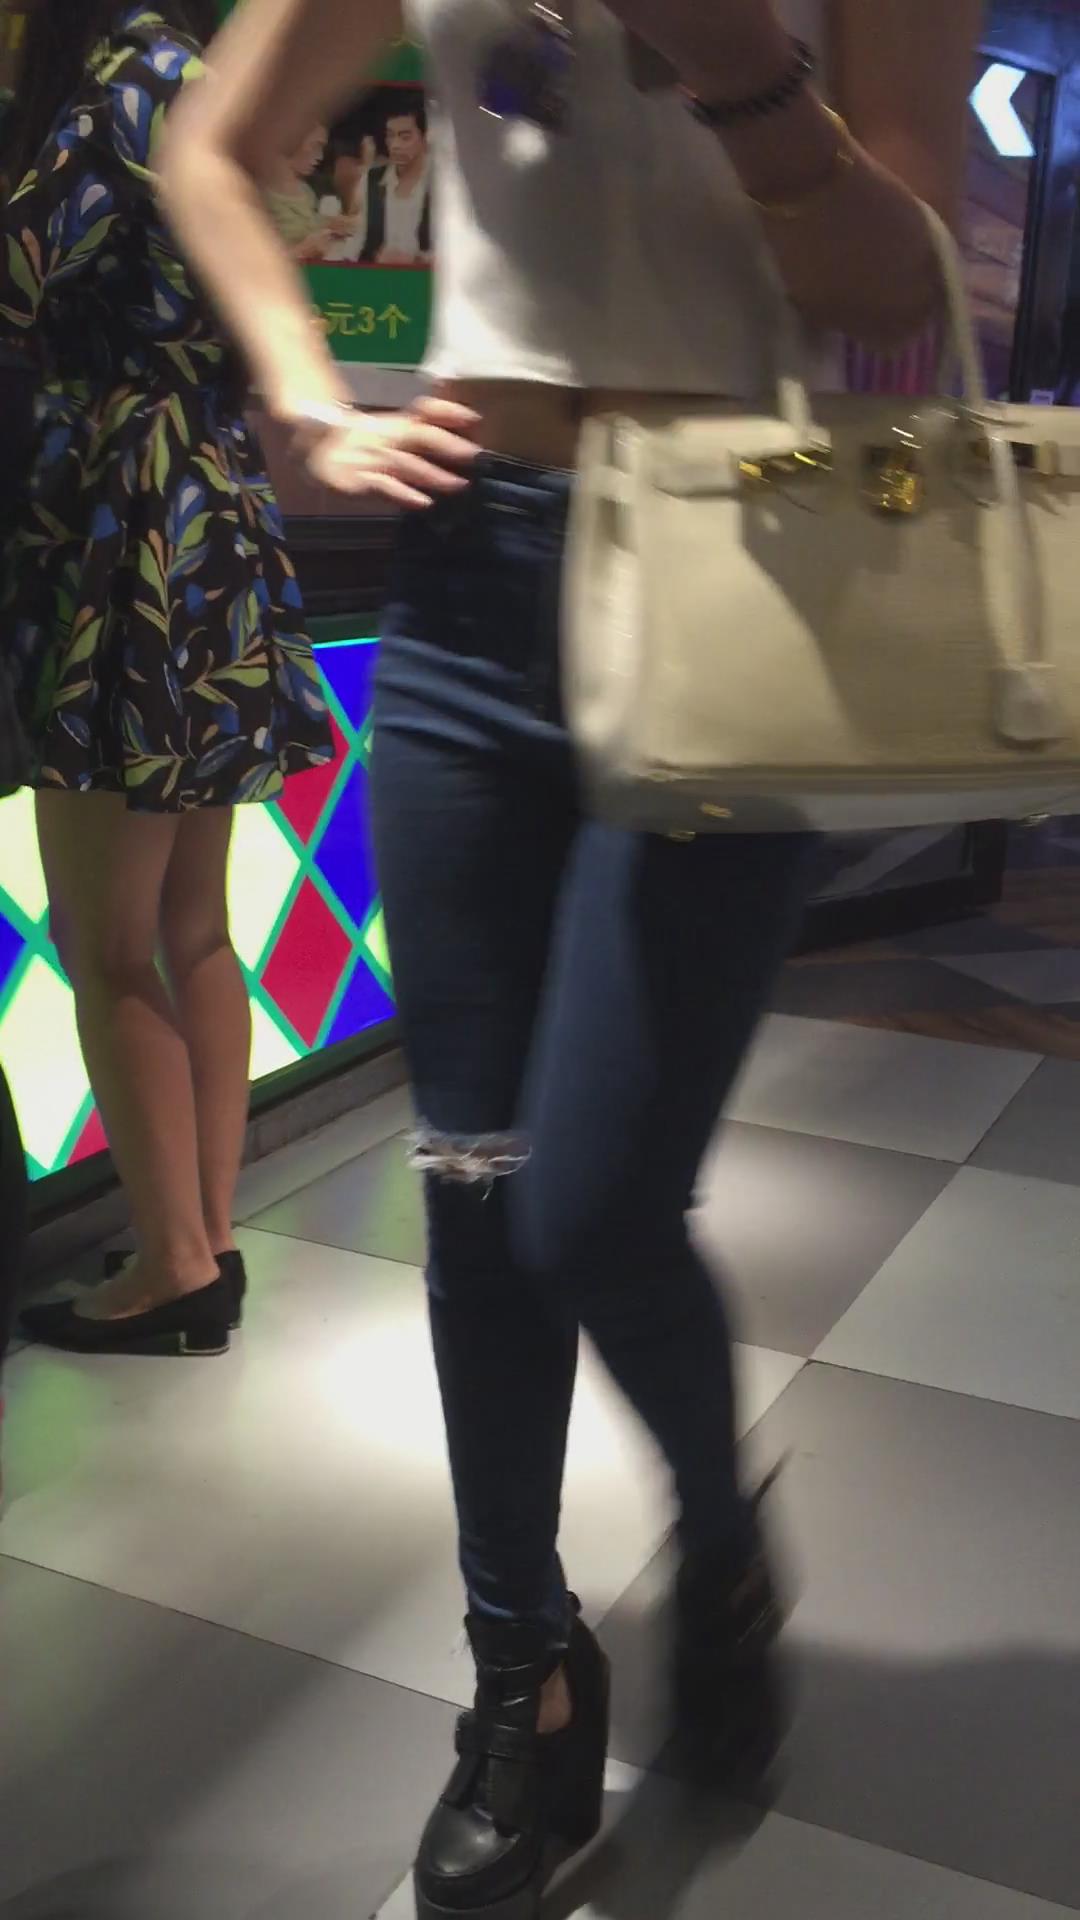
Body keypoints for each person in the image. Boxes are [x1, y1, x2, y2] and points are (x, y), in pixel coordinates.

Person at [161, 0, 980, 1912]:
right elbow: (215, 143)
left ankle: (721, 1546)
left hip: (749, 579)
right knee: (472, 1186)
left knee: (597, 1202)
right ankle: (518, 1669)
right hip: (466, 580)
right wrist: (302, 387)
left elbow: (901, 293)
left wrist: (734, 59)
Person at [2, 1, 334, 1361]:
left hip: (118, 524)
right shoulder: (208, 77)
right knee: (197, 928)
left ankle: (174, 1267)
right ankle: (202, 1236)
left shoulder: (120, 81)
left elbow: (23, 271)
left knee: (108, 942)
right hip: (211, 508)